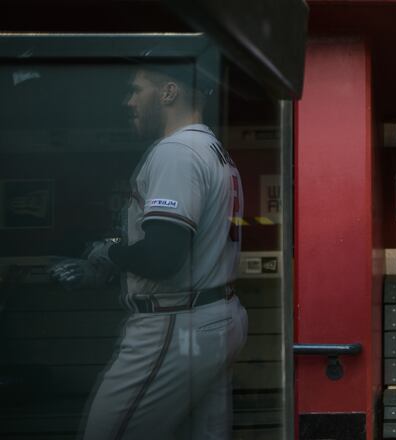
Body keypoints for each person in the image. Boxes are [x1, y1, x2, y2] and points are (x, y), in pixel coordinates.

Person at [49, 64, 247, 440]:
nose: (129, 101)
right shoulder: (214, 149)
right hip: (215, 315)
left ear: (168, 92)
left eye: (137, 90)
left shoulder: (176, 151)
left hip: (176, 322)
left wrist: (109, 254)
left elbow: (162, 258)